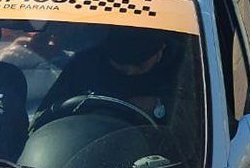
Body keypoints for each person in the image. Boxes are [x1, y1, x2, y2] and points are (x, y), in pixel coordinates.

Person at [35, 26, 173, 122]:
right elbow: (44, 115)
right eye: (120, 65)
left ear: (160, 51)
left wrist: (160, 104)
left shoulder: (179, 66)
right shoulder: (85, 64)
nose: (130, 72)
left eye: (139, 65)